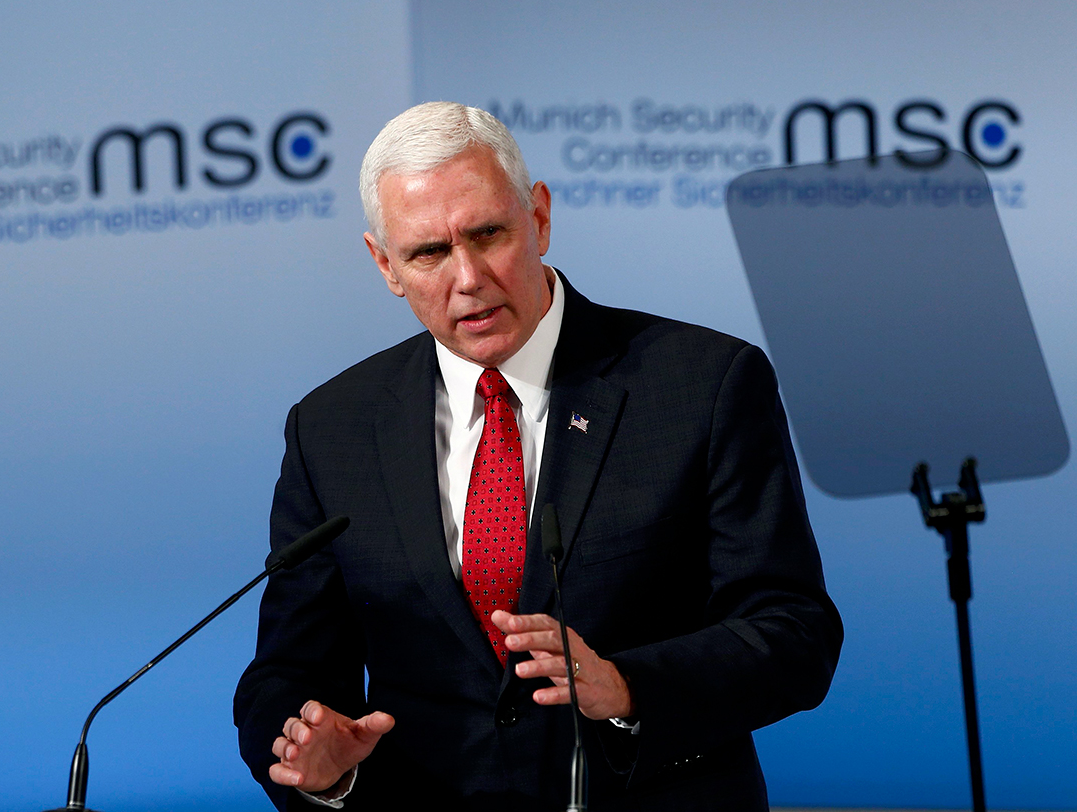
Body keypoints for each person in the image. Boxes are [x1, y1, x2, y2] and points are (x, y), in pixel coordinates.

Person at [233, 102, 842, 811]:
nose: (467, 276)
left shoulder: (701, 384)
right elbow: (286, 671)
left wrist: (627, 684)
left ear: (540, 218)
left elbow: (792, 632)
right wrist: (318, 760)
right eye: (428, 252)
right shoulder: (332, 428)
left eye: (488, 233)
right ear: (385, 264)